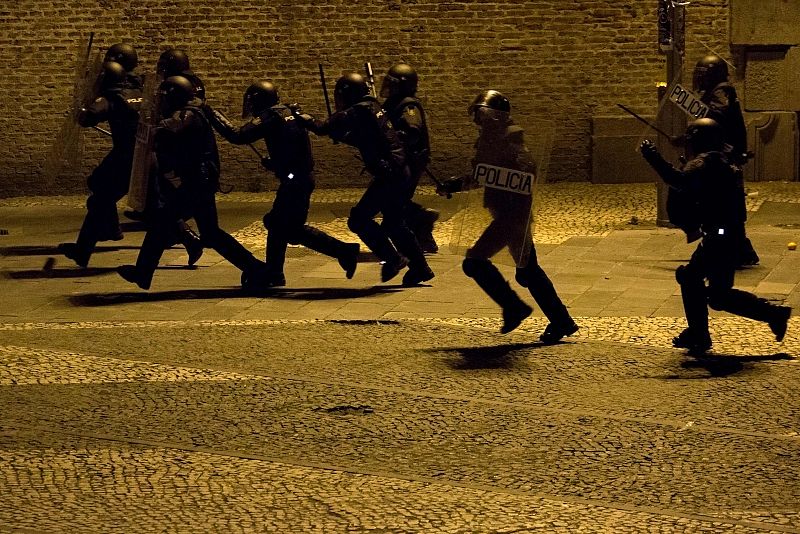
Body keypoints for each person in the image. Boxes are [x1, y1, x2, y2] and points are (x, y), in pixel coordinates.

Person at [640, 118, 791, 353]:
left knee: (691, 279)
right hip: (727, 234)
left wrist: (653, 157)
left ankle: (700, 334)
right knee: (719, 296)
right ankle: (772, 314)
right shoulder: (719, 159)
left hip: (720, 235)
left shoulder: (705, 162)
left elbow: (678, 181)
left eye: (690, 139)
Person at [438, 90, 578, 341]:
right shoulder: (490, 140)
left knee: (474, 262)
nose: (477, 121)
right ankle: (562, 321)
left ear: (494, 116)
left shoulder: (510, 139)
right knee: (528, 271)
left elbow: (527, 171)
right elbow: (483, 175)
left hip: (513, 216)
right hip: (505, 213)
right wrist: (455, 184)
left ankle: (515, 308)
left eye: (481, 114)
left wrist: (511, 190)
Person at [117, 75, 269, 290]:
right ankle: (256, 268)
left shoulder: (190, 113)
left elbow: (172, 127)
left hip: (197, 183)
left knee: (162, 223)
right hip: (199, 182)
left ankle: (143, 273)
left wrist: (150, 128)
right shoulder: (190, 111)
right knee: (211, 233)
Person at [207, 80, 360, 286]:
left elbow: (238, 135)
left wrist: (211, 113)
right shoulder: (287, 112)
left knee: (284, 226)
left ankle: (342, 251)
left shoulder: (271, 116)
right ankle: (276, 272)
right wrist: (277, 163)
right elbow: (293, 147)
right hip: (298, 178)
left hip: (296, 181)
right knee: (280, 225)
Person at [297, 72, 434, 286]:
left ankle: (393, 258)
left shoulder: (359, 109)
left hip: (390, 174)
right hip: (398, 171)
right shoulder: (373, 106)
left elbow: (324, 127)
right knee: (395, 222)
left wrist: (305, 119)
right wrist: (341, 135)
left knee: (358, 219)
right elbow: (366, 137)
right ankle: (420, 268)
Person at [58, 47, 142, 268]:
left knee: (100, 198)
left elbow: (88, 117)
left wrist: (82, 106)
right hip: (142, 153)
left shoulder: (112, 98)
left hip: (126, 156)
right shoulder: (137, 89)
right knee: (100, 187)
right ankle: (97, 240)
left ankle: (85, 249)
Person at [692, 54, 759, 267]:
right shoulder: (717, 90)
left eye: (703, 74)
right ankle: (739, 247)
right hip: (725, 156)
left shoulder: (721, 91)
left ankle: (726, 246)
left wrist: (696, 127)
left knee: (722, 205)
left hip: (724, 157)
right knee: (727, 206)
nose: (700, 79)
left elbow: (716, 118)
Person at [379, 63, 440, 254]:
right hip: (400, 161)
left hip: (410, 162)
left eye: (394, 84)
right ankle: (422, 232)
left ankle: (420, 220)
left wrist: (394, 139)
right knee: (396, 199)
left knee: (394, 201)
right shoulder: (394, 103)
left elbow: (412, 131)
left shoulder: (408, 106)